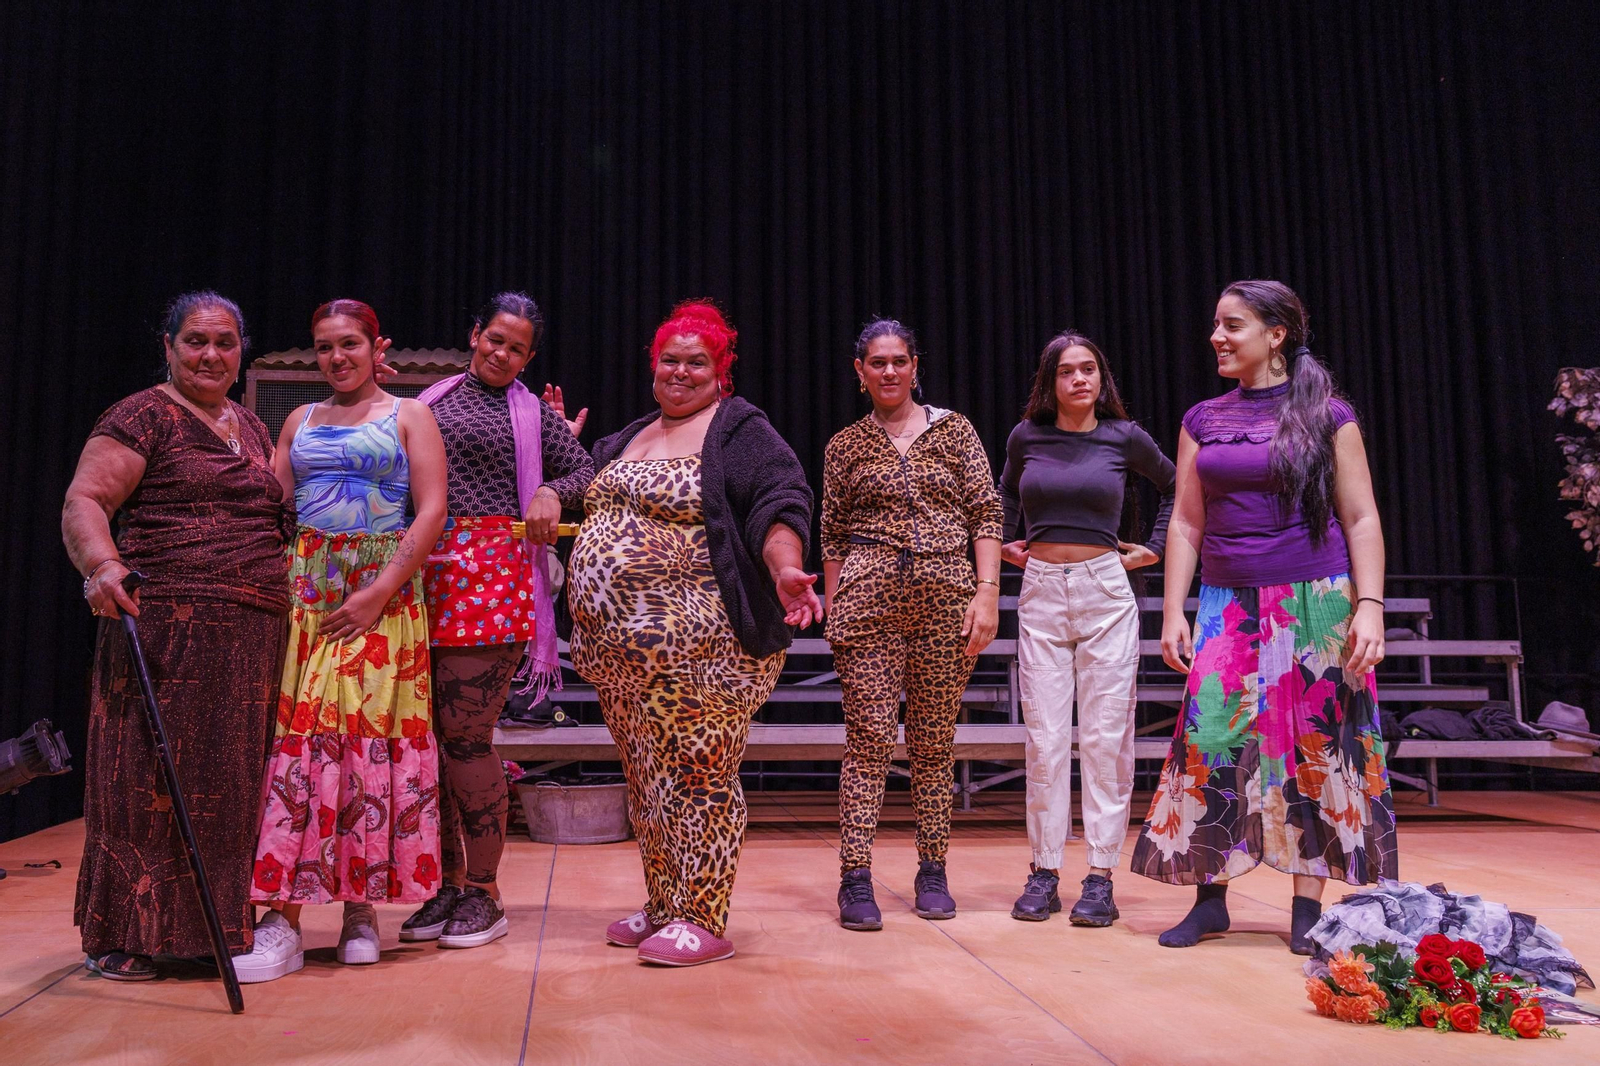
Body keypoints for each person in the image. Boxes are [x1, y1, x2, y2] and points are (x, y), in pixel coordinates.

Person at [1128, 279, 1396, 954]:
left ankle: (1308, 905)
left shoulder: (1329, 415)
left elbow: (1360, 517)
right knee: (1213, 743)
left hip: (1315, 601)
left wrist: (1369, 606)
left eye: (1232, 325)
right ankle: (1210, 897)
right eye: (1217, 324)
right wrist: (1174, 611)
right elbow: (1186, 522)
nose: (1217, 336)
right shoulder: (1202, 420)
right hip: (1227, 603)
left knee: (1314, 750)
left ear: (1275, 334)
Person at [568, 300, 820, 967]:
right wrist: (564, 463)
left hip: (705, 651)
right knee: (647, 780)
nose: (680, 371)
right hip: (619, 656)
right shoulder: (628, 437)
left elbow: (779, 501)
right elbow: (582, 500)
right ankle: (663, 905)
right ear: (654, 365)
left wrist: (786, 566)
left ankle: (703, 916)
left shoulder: (739, 430)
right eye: (670, 359)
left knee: (699, 776)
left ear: (721, 370)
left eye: (696, 361)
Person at [63, 292, 291, 981]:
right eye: (196, 341)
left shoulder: (249, 426)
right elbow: (85, 500)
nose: (211, 355)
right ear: (167, 344)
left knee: (229, 786)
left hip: (251, 638)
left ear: (241, 350)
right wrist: (102, 565)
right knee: (144, 777)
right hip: (166, 630)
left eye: (225, 343)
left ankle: (211, 930)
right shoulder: (140, 416)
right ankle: (124, 933)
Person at [233, 300, 447, 982]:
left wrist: (380, 590)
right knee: (303, 741)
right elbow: (269, 503)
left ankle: (361, 910)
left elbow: (434, 506)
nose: (337, 357)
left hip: (382, 595)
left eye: (350, 343)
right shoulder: (301, 420)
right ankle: (284, 919)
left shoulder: (409, 413)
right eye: (324, 346)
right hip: (311, 589)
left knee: (366, 746)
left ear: (377, 344)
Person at [398, 292, 595, 950]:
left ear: (529, 356)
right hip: (419, 577)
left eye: (517, 348)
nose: (501, 353)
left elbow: (584, 472)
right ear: (474, 333)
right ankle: (448, 886)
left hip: (493, 581)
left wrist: (548, 490)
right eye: (494, 339)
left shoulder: (533, 414)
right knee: (430, 745)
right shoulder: (429, 402)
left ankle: (486, 892)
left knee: (466, 739)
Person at [822, 319, 1004, 931]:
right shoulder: (845, 445)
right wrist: (834, 602)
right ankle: (855, 876)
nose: (890, 371)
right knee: (869, 740)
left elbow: (985, 512)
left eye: (900, 360)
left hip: (946, 596)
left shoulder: (955, 432)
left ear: (916, 365)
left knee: (933, 743)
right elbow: (832, 532)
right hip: (868, 603)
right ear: (860, 371)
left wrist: (987, 593)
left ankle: (932, 868)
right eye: (877, 362)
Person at [999, 330, 1175, 924]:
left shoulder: (1124, 437)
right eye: (1067, 371)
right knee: (1045, 740)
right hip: (1042, 591)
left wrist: (1152, 548)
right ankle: (1044, 870)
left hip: (1105, 590)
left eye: (1089, 369)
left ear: (1102, 379)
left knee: (1104, 739)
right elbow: (1002, 500)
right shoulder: (1027, 436)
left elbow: (1178, 488)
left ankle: (1099, 876)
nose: (1080, 379)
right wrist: (1003, 544)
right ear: (1049, 382)